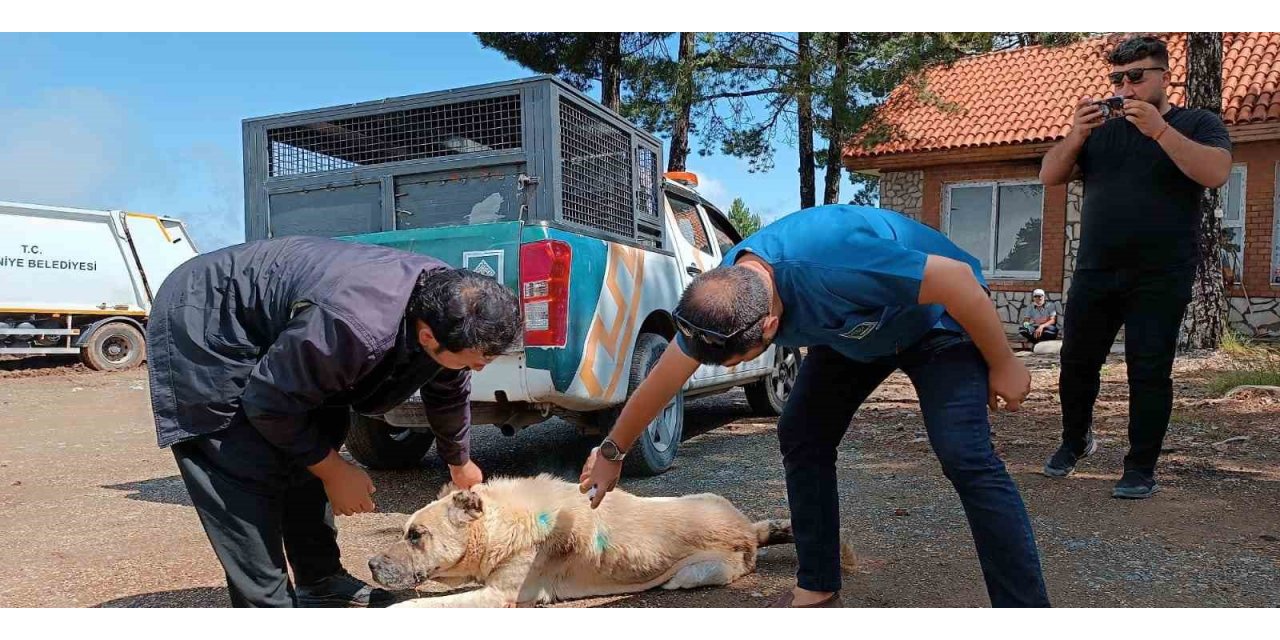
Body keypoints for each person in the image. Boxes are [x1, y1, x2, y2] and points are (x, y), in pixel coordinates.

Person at [578, 205, 1050, 608]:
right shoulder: (720, 298)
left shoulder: (838, 264)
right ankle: (818, 588)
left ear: (769, 327)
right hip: (856, 333)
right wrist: (612, 451)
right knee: (802, 434)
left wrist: (1004, 362)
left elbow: (959, 281)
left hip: (938, 321)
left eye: (740, 359)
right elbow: (665, 376)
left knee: (965, 455)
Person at [147, 236, 521, 607]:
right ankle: (266, 608)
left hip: (300, 331)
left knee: (316, 435)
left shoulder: (445, 309)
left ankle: (320, 579)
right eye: (476, 359)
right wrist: (334, 470)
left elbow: (449, 387)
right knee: (241, 467)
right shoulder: (358, 325)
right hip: (208, 319)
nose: (479, 367)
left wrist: (459, 460)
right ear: (427, 335)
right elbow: (269, 401)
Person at [1038, 35, 1232, 498]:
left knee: (1149, 370)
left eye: (1137, 77)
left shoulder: (1196, 122)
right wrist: (1076, 134)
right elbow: (1049, 175)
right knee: (1077, 363)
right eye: (1118, 79)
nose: (1126, 87)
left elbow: (1217, 171)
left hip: (1161, 273)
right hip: (1096, 270)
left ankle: (1140, 467)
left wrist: (1160, 132)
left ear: (1164, 77)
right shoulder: (1101, 132)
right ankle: (1075, 440)